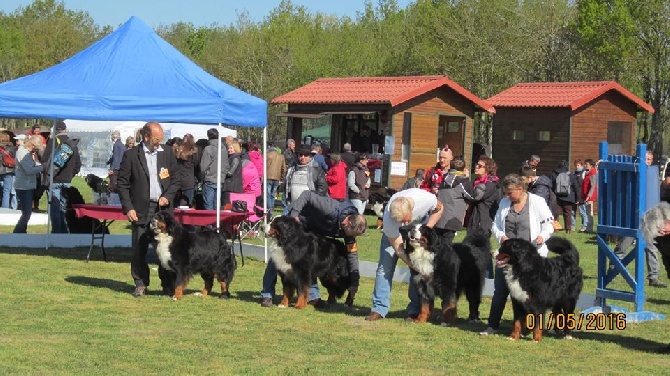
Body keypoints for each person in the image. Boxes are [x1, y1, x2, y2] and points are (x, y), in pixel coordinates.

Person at [260, 191, 367, 308]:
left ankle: (312, 297)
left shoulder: (350, 231)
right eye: (352, 234)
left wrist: (354, 282)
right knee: (279, 257)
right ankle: (267, 294)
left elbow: (352, 255)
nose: (352, 237)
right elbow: (307, 195)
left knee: (308, 263)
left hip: (312, 228)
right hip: (295, 217)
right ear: (348, 222)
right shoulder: (330, 208)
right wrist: (294, 216)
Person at [480, 173, 554, 335]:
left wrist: (543, 235)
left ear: (520, 189)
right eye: (506, 193)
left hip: (531, 257)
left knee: (532, 294)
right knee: (500, 291)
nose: (507, 196)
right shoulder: (505, 203)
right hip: (508, 255)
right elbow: (495, 226)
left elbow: (549, 224)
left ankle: (531, 327)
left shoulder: (537, 202)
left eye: (510, 192)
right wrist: (501, 236)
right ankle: (492, 325)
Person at [117, 121, 180, 297]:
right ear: (146, 137)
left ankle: (168, 284)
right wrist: (128, 207)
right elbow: (122, 184)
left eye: (161, 139)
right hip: (140, 209)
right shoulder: (131, 155)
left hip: (163, 210)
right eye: (156, 139)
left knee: (165, 249)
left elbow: (176, 179)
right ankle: (140, 283)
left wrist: (168, 196)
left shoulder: (167, 153)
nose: (159, 142)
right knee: (139, 248)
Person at [365, 188, 444, 321]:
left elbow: (440, 208)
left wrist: (427, 229)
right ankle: (379, 308)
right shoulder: (389, 220)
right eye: (402, 221)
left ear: (412, 209)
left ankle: (414, 310)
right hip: (394, 234)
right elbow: (399, 250)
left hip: (419, 227)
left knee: (417, 274)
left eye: (407, 220)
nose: (405, 224)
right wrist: (416, 267)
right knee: (385, 267)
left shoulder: (425, 199)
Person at [613, 151, 666, 288]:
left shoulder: (652, 174)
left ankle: (653, 278)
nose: (648, 161)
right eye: (646, 159)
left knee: (651, 247)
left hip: (648, 219)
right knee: (623, 247)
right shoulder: (632, 173)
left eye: (650, 159)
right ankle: (612, 272)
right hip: (633, 218)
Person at [41, 120, 82, 233]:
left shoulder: (54, 141)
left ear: (55, 130)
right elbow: (78, 164)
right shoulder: (72, 144)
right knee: (64, 208)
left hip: (54, 179)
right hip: (67, 181)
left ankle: (56, 232)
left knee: (55, 207)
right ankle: (64, 232)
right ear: (65, 130)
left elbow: (44, 160)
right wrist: (70, 174)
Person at [435, 157, 473, 245]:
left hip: (439, 216)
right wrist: (467, 178)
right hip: (453, 219)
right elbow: (473, 196)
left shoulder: (444, 178)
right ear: (463, 169)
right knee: (446, 245)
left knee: (438, 244)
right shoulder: (463, 182)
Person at [13, 135, 44, 233]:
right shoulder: (23, 153)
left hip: (27, 185)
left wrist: (39, 165)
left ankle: (22, 232)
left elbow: (32, 165)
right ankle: (18, 232)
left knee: (27, 212)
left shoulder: (26, 152)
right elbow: (29, 170)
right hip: (24, 186)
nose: (35, 150)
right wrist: (43, 167)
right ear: (31, 145)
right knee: (27, 212)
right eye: (35, 148)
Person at [283, 146, 327, 210]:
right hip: (293, 206)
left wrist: (314, 202)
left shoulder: (317, 170)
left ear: (310, 156)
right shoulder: (291, 170)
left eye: (306, 155)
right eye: (300, 155)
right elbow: (287, 187)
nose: (302, 157)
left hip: (310, 207)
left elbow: (322, 188)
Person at [198, 128, 229, 210]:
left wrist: (203, 176)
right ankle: (216, 222)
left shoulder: (208, 149)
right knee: (217, 204)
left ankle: (210, 222)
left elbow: (203, 166)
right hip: (220, 179)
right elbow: (226, 164)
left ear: (208, 136)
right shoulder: (224, 148)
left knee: (208, 204)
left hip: (210, 179)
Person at [552, 160, 581, 233]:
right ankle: (568, 229)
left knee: (556, 213)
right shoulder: (570, 174)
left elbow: (552, 185)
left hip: (557, 196)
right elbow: (576, 187)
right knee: (568, 213)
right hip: (568, 196)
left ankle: (555, 228)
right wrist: (577, 198)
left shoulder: (554, 173)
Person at [173, 133, 199, 208]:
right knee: (187, 203)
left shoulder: (176, 152)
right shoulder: (193, 153)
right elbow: (196, 165)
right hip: (189, 180)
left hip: (178, 179)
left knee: (176, 203)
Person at [266, 143, 286, 211]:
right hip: (277, 178)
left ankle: (269, 210)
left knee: (268, 194)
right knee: (273, 195)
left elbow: (264, 166)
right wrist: (281, 178)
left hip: (268, 177)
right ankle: (271, 209)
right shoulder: (281, 156)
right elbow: (284, 169)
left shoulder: (267, 155)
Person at [222, 139, 243, 206]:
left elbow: (230, 172)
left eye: (231, 148)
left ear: (235, 148)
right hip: (234, 187)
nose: (229, 150)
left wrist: (222, 172)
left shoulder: (235, 158)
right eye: (228, 148)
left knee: (227, 205)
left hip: (231, 187)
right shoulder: (234, 157)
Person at [0, 131, 17, 208]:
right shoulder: (12, 148)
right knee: (6, 191)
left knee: (3, 189)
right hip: (9, 170)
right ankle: (5, 208)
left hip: (1, 170)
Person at [581, 158, 598, 233]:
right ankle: (588, 228)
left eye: (587, 164)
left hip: (589, 196)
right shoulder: (588, 173)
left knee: (589, 213)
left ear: (591, 165)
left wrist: (589, 195)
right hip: (586, 195)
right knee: (587, 212)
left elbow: (593, 185)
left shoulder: (593, 173)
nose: (585, 165)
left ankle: (589, 229)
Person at [572, 159, 587, 232]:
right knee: (572, 211)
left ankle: (584, 226)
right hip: (574, 194)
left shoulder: (584, 172)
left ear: (581, 165)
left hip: (581, 195)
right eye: (576, 165)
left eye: (578, 165)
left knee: (582, 212)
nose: (577, 167)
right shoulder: (574, 173)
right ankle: (572, 226)